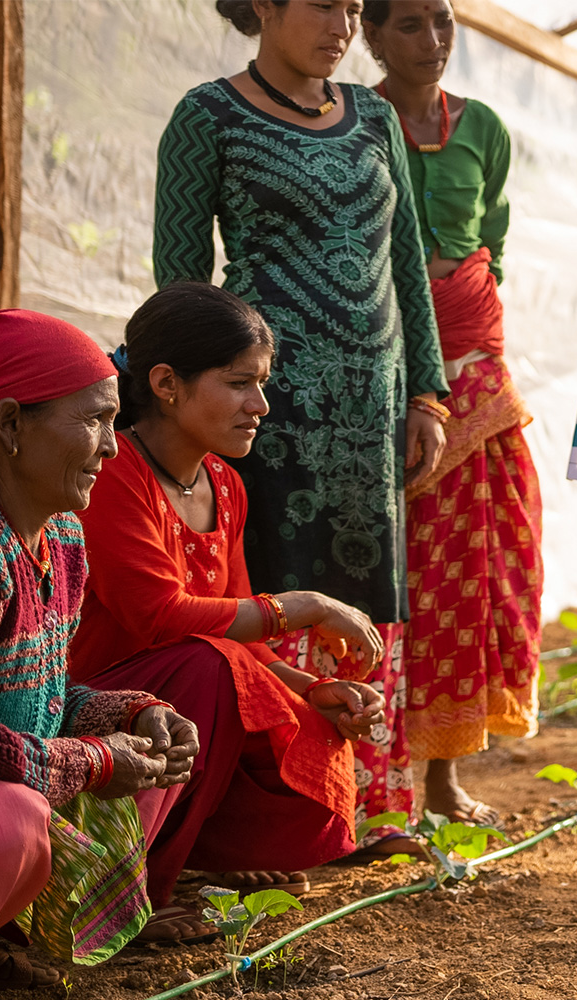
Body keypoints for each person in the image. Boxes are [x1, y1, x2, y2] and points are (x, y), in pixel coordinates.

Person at [152, 0, 449, 848]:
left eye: (355, 8)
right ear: (266, 7)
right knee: (273, 583)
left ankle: (370, 808)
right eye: (323, 5)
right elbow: (181, 285)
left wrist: (426, 391)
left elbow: (406, 261)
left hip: (373, 403)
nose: (344, 25)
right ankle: (280, 813)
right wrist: (195, 409)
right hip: (266, 411)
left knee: (372, 590)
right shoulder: (207, 115)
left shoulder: (376, 118)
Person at [68, 283, 389, 907]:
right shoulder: (114, 475)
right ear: (166, 384)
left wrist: (311, 689)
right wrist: (306, 605)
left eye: (262, 383)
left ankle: (188, 858)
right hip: (92, 704)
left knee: (299, 717)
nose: (261, 404)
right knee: (208, 668)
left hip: (184, 700)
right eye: (240, 383)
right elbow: (159, 617)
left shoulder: (225, 484)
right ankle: (126, 897)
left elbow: (233, 628)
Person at [0, 308, 201, 988]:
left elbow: (40, 696)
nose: (111, 446)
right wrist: (97, 762)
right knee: (12, 820)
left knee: (157, 753)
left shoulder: (65, 541)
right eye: (95, 420)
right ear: (12, 425)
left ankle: (8, 930)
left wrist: (128, 715)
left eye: (114, 419)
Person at [361, 0, 542, 824]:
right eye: (409, 26)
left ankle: (442, 779)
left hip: (476, 366)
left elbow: (489, 244)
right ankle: (375, 776)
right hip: (384, 364)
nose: (432, 43)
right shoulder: (352, 121)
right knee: (405, 573)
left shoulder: (485, 130)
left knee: (480, 568)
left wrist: (460, 319)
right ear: (370, 35)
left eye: (443, 22)